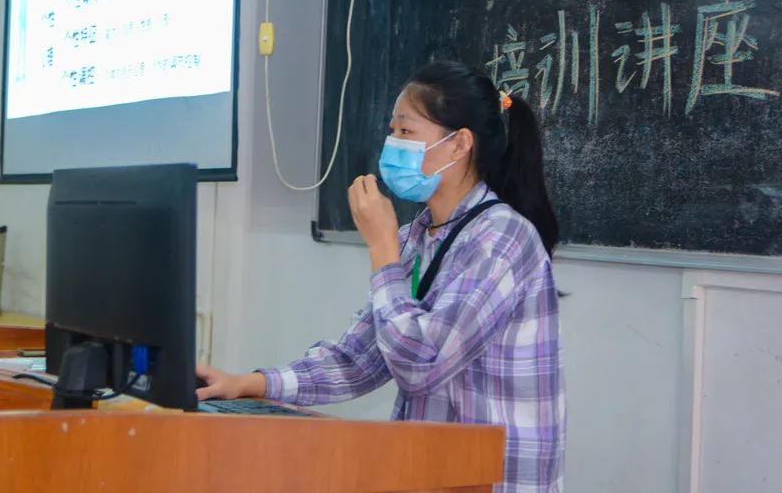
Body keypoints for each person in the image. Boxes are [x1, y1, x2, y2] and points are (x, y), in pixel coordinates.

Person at [197, 60, 566, 492]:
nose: (392, 144)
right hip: (432, 469)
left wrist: (382, 249)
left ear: (459, 144)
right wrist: (247, 383)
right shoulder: (416, 237)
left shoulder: (501, 238)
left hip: (492, 478)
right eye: (392, 131)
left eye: (406, 131)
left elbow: (421, 365)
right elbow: (359, 359)